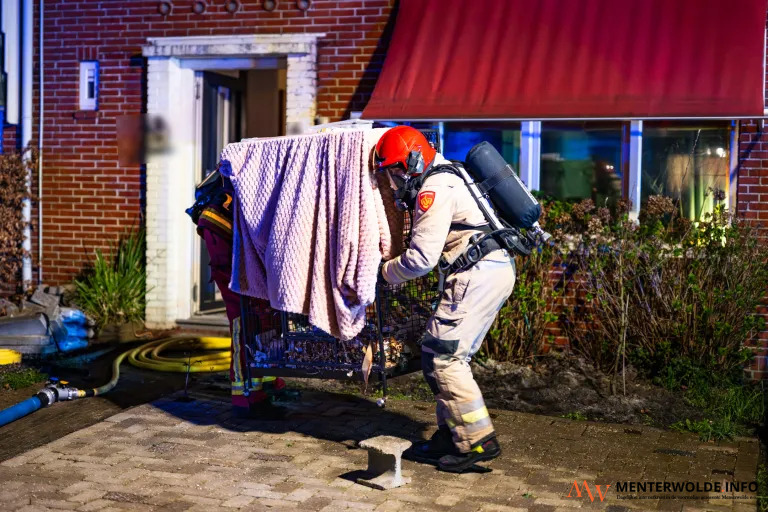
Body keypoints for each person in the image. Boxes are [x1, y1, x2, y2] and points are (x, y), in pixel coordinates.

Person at [375, 126, 516, 473]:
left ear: (412, 161)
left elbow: (422, 259)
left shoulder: (434, 188)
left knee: (445, 359)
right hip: (488, 269)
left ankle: (476, 440)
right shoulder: (450, 173)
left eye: (395, 171)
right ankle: (451, 435)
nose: (393, 182)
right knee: (439, 353)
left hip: (477, 273)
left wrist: (384, 272)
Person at [187, 168, 287, 419]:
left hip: (243, 269)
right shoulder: (221, 207)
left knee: (264, 324)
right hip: (234, 273)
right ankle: (245, 395)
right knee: (244, 326)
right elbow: (223, 254)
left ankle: (264, 387)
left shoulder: (240, 197)